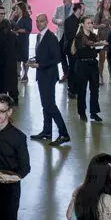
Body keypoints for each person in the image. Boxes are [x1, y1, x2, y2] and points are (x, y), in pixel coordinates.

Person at [30, 14, 70, 146]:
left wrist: (40, 65)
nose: (38, 23)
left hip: (49, 76)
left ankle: (64, 134)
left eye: (41, 21)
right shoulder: (39, 36)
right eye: (37, 21)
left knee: (50, 105)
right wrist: (34, 60)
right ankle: (47, 132)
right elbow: (43, 54)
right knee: (45, 105)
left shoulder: (51, 37)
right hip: (42, 75)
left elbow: (57, 58)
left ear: (47, 22)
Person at [72, 16, 105, 122]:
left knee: (95, 89)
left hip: (93, 64)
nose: (90, 25)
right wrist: (93, 46)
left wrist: (99, 46)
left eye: (91, 23)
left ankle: (93, 112)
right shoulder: (79, 37)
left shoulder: (94, 36)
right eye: (88, 23)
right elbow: (81, 51)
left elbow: (96, 51)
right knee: (82, 90)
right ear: (83, 24)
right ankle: (82, 112)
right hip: (82, 65)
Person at [53, 0, 76, 80]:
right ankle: (65, 73)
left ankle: (72, 72)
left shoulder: (75, 8)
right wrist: (58, 21)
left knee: (71, 54)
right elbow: (53, 19)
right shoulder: (59, 8)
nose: (64, 0)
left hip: (71, 35)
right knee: (62, 54)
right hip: (61, 34)